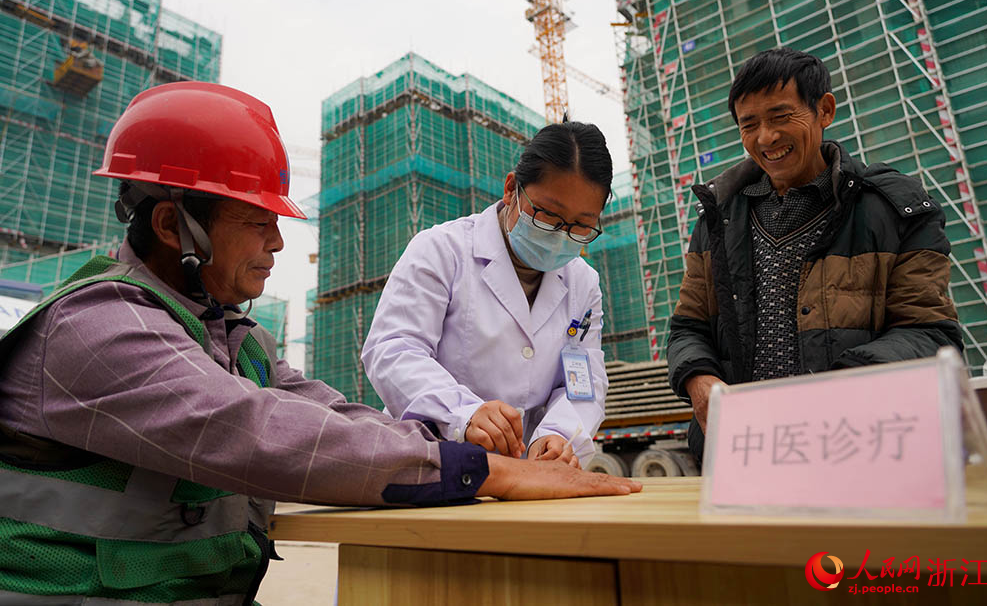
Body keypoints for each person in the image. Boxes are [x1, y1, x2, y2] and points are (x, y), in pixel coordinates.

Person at [0, 84, 639, 605]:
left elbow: (329, 414)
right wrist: (481, 460)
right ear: (173, 224)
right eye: (259, 222)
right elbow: (255, 428)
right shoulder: (99, 326)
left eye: (581, 226)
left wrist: (536, 447)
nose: (278, 244)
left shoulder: (238, 340)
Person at [667, 48, 963, 464]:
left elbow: (931, 333)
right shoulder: (718, 220)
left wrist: (842, 387)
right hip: (742, 453)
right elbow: (687, 328)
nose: (765, 138)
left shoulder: (894, 209)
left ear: (824, 110)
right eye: (749, 124)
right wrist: (699, 379)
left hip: (864, 450)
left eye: (781, 117)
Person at [363, 122, 613, 469]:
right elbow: (393, 350)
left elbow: (582, 381)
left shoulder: (583, 283)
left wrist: (558, 435)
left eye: (581, 226)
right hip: (430, 459)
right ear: (512, 189)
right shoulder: (442, 250)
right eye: (548, 216)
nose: (560, 236)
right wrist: (462, 412)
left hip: (524, 471)